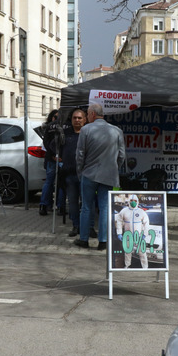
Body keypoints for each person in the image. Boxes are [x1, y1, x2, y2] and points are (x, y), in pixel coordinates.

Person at [74, 103, 126, 250]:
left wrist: (80, 172)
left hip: (89, 174)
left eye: (87, 114)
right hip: (109, 175)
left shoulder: (85, 130)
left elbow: (80, 155)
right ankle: (103, 241)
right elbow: (122, 155)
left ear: (92, 114)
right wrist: (114, 168)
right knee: (105, 208)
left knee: (86, 207)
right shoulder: (116, 131)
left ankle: (84, 239)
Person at [60, 108, 86, 237]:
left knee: (87, 202)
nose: (77, 120)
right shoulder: (65, 134)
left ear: (85, 120)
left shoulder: (88, 134)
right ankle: (76, 226)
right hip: (69, 174)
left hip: (85, 174)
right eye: (75, 118)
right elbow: (53, 145)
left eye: (80, 118)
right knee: (73, 202)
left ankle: (88, 227)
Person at [115, 194, 151, 268]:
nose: (133, 202)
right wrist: (119, 233)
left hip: (139, 235)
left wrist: (145, 234)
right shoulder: (124, 211)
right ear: (129, 201)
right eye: (131, 201)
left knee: (142, 252)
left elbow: (146, 223)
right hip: (128, 235)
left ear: (137, 201)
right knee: (128, 251)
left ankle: (145, 267)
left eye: (135, 201)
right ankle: (127, 265)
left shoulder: (141, 212)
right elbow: (119, 221)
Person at [39, 109, 64, 216]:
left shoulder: (49, 126)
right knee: (61, 183)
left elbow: (46, 142)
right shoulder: (65, 125)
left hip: (51, 157)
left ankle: (44, 205)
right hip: (60, 158)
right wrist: (59, 155)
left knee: (49, 182)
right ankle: (60, 207)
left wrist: (53, 154)